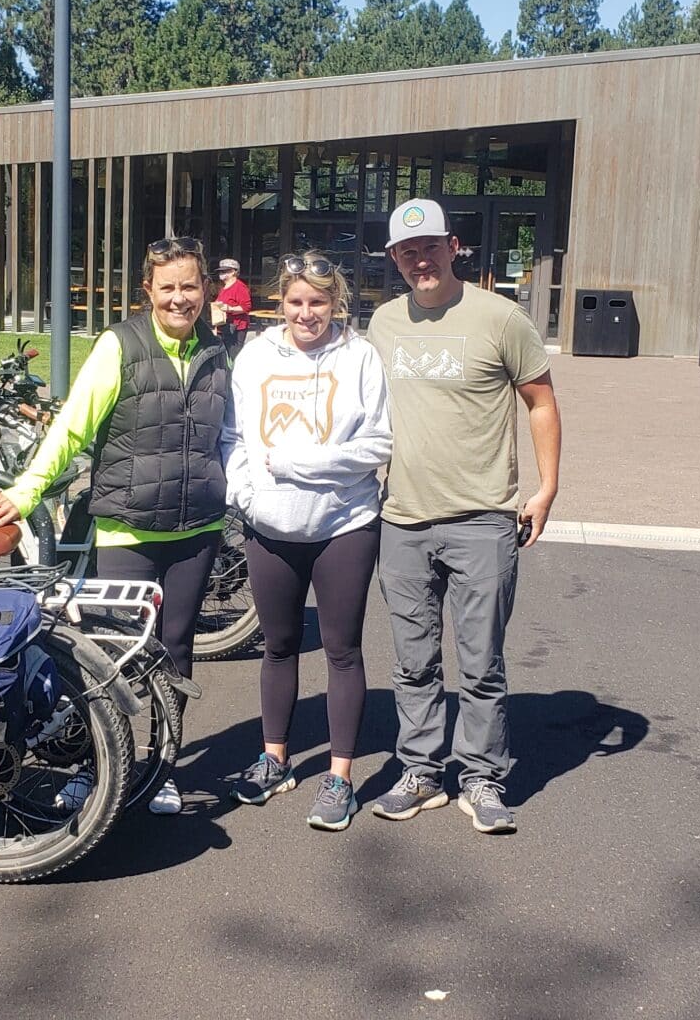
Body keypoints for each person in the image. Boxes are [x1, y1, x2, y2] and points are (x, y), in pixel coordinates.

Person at [0, 236, 232, 816]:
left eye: (189, 286)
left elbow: (233, 438)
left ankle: (163, 767)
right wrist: (27, 491)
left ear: (205, 290)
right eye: (167, 287)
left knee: (174, 654)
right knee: (107, 657)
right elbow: (72, 428)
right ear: (147, 291)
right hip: (127, 531)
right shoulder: (119, 345)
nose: (179, 298)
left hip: (195, 532)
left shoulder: (217, 353)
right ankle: (94, 770)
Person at [364, 198, 562, 835]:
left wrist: (547, 489)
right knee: (413, 659)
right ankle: (421, 772)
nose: (419, 260)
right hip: (403, 517)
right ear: (394, 258)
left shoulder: (501, 318)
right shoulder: (385, 322)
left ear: (454, 247)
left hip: (482, 518)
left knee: (481, 662)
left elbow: (540, 402)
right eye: (406, 251)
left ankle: (482, 777)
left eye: (429, 247)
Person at [224, 253, 390, 830]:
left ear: (335, 303)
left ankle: (339, 778)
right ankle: (275, 760)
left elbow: (376, 446)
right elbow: (235, 435)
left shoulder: (359, 356)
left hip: (343, 524)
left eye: (318, 302)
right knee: (278, 645)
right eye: (296, 301)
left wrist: (296, 465)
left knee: (342, 650)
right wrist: (247, 495)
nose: (306, 312)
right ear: (280, 303)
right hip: (269, 526)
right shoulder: (257, 354)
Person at [213, 258, 252, 354]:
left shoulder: (240, 287)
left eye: (225, 271)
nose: (222, 273)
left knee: (234, 354)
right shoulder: (224, 287)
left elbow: (246, 307)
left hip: (236, 327)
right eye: (221, 271)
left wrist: (229, 309)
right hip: (223, 326)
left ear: (234, 272)